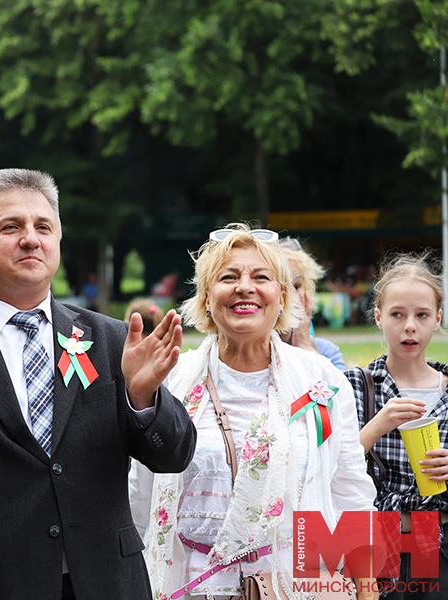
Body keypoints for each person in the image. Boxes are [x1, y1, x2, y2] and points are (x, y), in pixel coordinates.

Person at [0, 168, 197, 600]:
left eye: (43, 227)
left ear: (58, 241)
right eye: (11, 227)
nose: (31, 238)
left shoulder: (111, 341)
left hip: (105, 583)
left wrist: (143, 399)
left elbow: (174, 456)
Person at [129, 223, 376, 599]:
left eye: (261, 276)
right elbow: (139, 498)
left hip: (295, 586)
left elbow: (351, 495)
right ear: (208, 297)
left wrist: (367, 588)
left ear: (281, 296)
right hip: (191, 586)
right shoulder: (172, 380)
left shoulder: (321, 382)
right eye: (229, 277)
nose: (245, 286)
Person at [344, 253, 448, 599]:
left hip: (440, 546)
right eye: (397, 314)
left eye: (422, 315)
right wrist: (377, 425)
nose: (409, 327)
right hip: (377, 548)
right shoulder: (356, 385)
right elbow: (328, 469)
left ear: (438, 319)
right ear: (378, 317)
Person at [278, 237, 347, 369]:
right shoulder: (249, 351)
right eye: (282, 287)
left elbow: (338, 389)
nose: (290, 296)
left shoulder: (327, 351)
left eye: (296, 286)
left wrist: (304, 345)